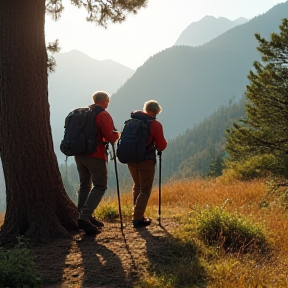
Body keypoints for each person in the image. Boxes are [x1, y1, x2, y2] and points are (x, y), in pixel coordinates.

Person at [76, 91, 119, 235]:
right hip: (95, 154)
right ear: (105, 100)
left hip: (79, 153)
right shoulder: (103, 115)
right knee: (100, 185)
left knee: (84, 185)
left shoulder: (85, 113)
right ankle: (84, 216)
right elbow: (110, 136)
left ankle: (82, 215)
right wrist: (117, 134)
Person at [127, 100, 167, 228]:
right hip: (146, 160)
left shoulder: (132, 122)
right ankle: (138, 218)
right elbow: (161, 145)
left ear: (145, 109)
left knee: (137, 186)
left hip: (130, 158)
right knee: (145, 189)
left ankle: (137, 214)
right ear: (157, 111)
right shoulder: (155, 124)